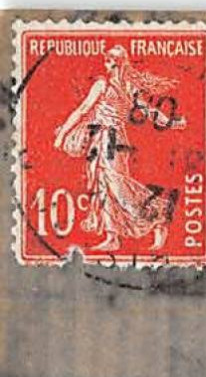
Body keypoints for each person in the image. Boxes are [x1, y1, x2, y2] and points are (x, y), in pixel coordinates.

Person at [52, 46, 181, 253]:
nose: (106, 62)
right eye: (106, 58)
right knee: (103, 186)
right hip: (105, 138)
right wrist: (170, 123)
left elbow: (84, 110)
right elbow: (150, 112)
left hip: (112, 140)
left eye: (110, 59)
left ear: (118, 62)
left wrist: (61, 135)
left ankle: (158, 217)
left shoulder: (111, 86)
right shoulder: (119, 86)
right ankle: (112, 237)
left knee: (118, 187)